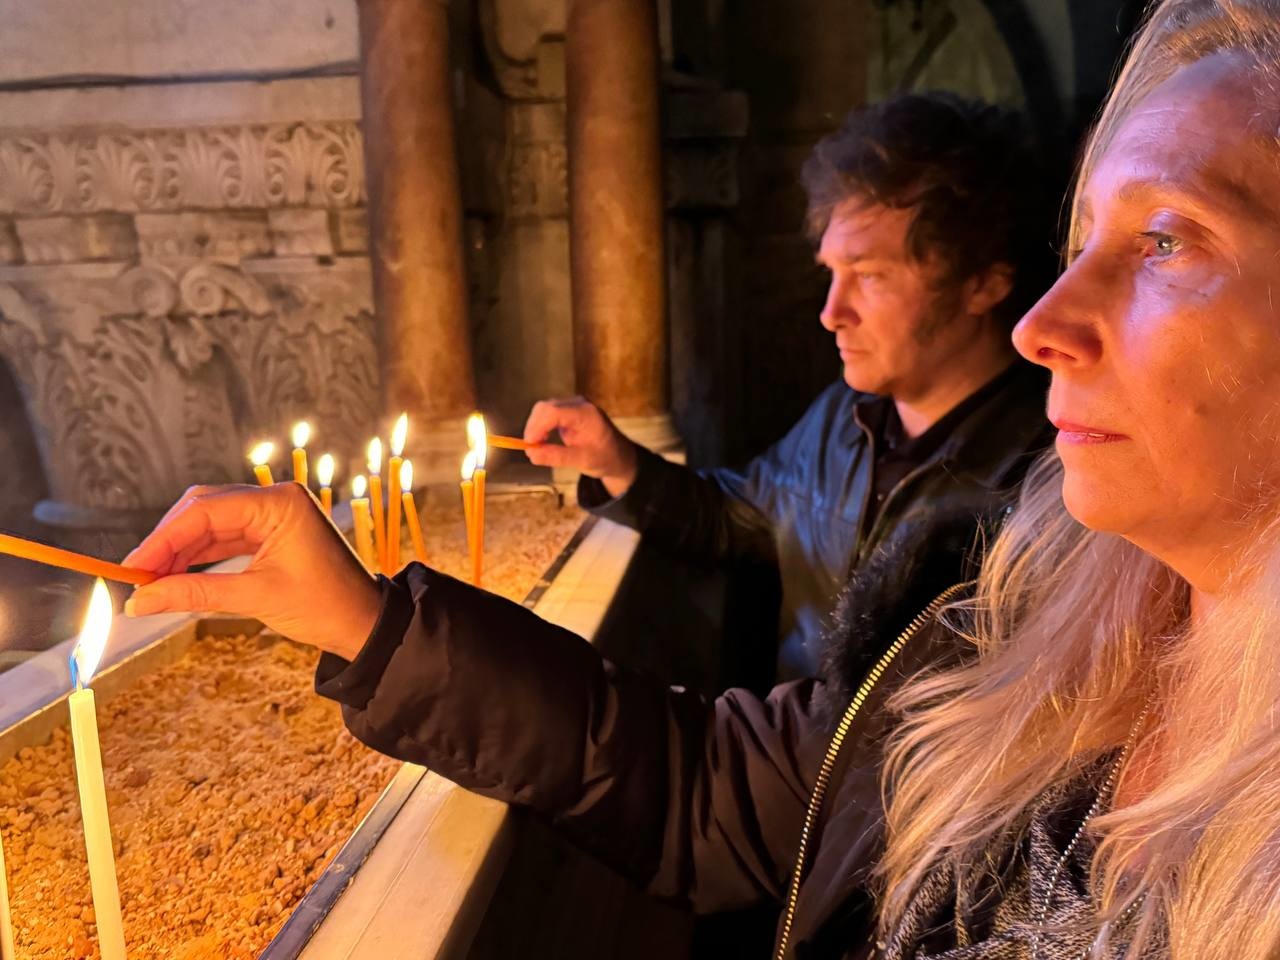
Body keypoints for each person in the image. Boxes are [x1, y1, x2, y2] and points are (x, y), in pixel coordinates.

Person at [121, 1, 1280, 954]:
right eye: (1080, 245)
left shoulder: (1001, 511)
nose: (1045, 323)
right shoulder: (1007, 630)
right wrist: (367, 620)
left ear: (972, 279)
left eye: (1166, 240)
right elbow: (731, 748)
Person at [522, 92, 1055, 679]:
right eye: (831, 273)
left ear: (984, 283)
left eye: (871, 276)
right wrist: (617, 462)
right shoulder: (844, 417)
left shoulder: (1043, 481)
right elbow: (743, 517)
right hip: (786, 748)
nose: (832, 312)